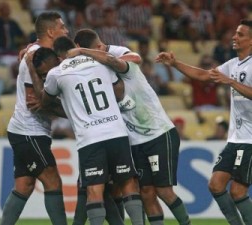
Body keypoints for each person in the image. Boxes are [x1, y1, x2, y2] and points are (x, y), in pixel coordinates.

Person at [72, 28, 191, 225]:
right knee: (145, 193)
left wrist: (84, 52)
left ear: (100, 48)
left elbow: (135, 58)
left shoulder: (119, 58)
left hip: (159, 133)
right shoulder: (95, 73)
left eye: (94, 51)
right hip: (135, 141)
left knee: (163, 191)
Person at [30, 36, 144, 225]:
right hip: (117, 132)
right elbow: (119, 91)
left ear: (58, 56)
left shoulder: (56, 74)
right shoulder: (100, 63)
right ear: (75, 47)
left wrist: (73, 105)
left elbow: (46, 101)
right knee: (128, 183)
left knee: (94, 190)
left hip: (90, 138)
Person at [156, 19, 252, 225]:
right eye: (235, 33)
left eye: (241, 34)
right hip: (236, 138)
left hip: (250, 140)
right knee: (216, 185)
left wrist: (232, 82)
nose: (234, 37)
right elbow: (202, 74)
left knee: (237, 191)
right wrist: (175, 63)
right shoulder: (233, 64)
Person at [0, 12, 69, 225]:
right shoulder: (36, 57)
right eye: (62, 27)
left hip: (26, 130)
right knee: (52, 181)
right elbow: (35, 102)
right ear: (50, 31)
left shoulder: (37, 52)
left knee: (24, 186)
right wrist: (70, 112)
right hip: (29, 131)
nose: (66, 31)